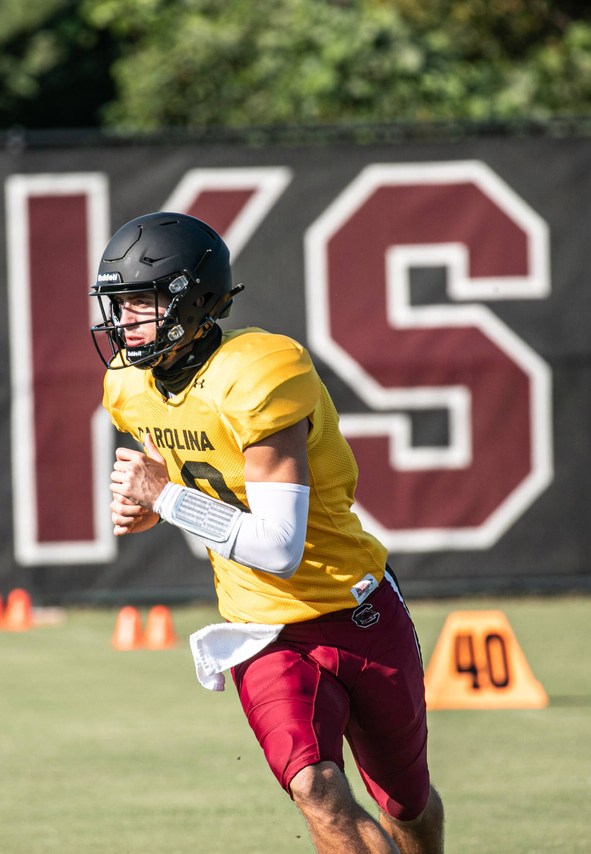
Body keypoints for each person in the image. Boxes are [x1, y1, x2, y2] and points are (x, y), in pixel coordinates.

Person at [92, 211, 445, 854]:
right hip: (261, 626)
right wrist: (156, 503)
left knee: (406, 803)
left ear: (193, 301)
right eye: (118, 305)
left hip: (353, 604)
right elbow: (187, 479)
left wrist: (165, 498)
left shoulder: (258, 372)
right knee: (314, 788)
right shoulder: (129, 386)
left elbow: (278, 545)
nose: (123, 322)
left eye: (141, 303)